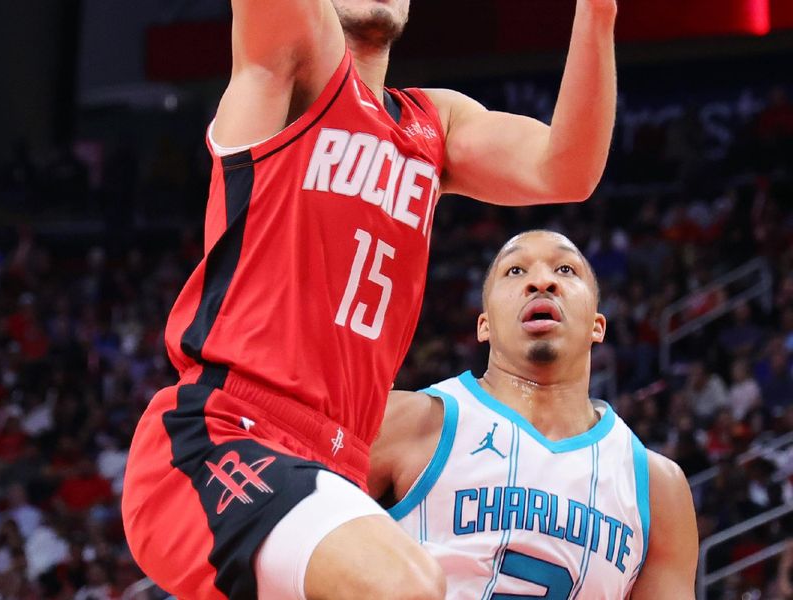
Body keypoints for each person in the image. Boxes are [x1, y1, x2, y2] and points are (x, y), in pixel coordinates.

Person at [122, 1, 619, 598]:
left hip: (338, 466)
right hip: (225, 434)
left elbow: (565, 170)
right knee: (405, 584)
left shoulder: (438, 123)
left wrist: (597, 12)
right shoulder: (292, 67)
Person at [370, 230, 698, 599]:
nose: (542, 281)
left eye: (565, 269)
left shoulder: (656, 487)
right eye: (515, 271)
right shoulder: (406, 421)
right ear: (484, 325)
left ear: (597, 325)